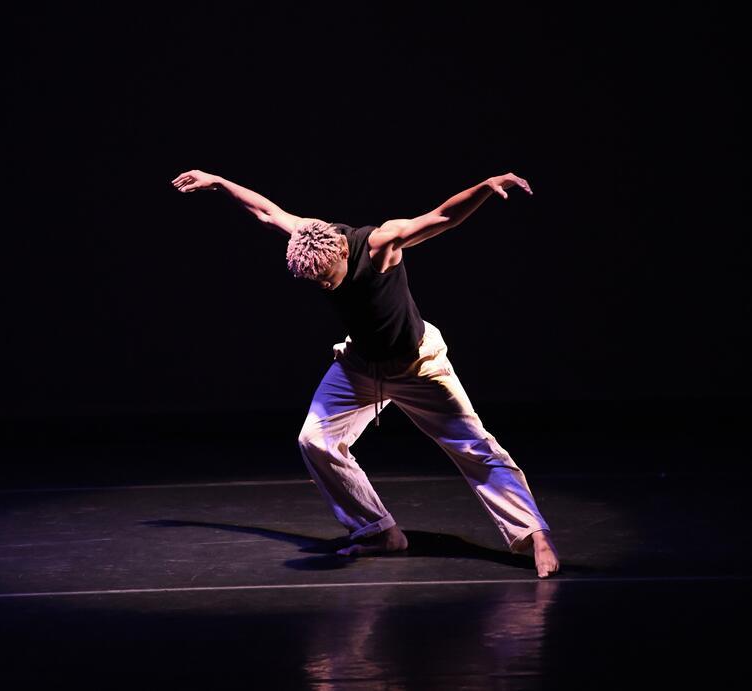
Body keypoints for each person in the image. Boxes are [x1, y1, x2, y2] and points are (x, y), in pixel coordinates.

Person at [171, 168, 560, 578]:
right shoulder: (310, 235)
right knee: (315, 440)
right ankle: (379, 531)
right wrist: (219, 182)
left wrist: (485, 187)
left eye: (326, 278)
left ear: (342, 252)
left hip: (417, 366)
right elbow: (267, 213)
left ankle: (535, 533)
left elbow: (442, 217)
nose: (324, 287)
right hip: (360, 365)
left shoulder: (381, 245)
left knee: (475, 446)